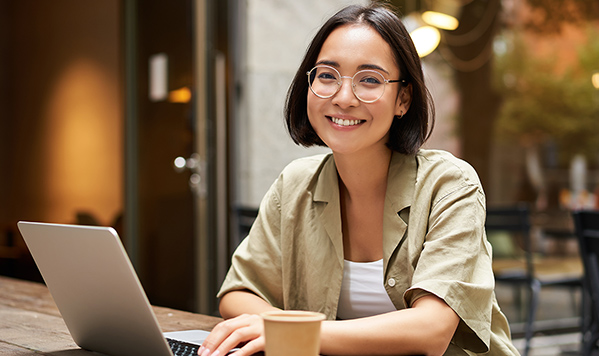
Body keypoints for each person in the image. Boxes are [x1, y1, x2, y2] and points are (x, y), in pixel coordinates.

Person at [199, 2, 519, 356]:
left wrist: (291, 333)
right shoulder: (295, 183)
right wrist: (275, 328)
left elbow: (432, 328)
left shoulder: (449, 184)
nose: (344, 97)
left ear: (403, 98)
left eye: (369, 80)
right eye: (327, 75)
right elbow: (238, 293)